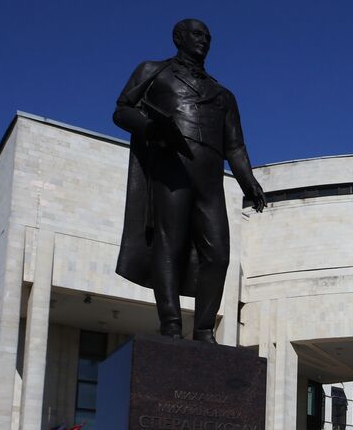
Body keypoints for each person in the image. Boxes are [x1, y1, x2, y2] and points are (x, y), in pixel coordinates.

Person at [113, 19, 266, 342]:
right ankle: (170, 324)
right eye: (197, 34)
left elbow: (235, 146)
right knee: (170, 243)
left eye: (208, 37)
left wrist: (248, 181)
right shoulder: (154, 71)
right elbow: (123, 110)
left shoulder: (223, 95)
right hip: (173, 169)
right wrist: (150, 128)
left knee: (219, 254)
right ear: (178, 37)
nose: (204, 40)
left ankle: (204, 329)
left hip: (209, 179)